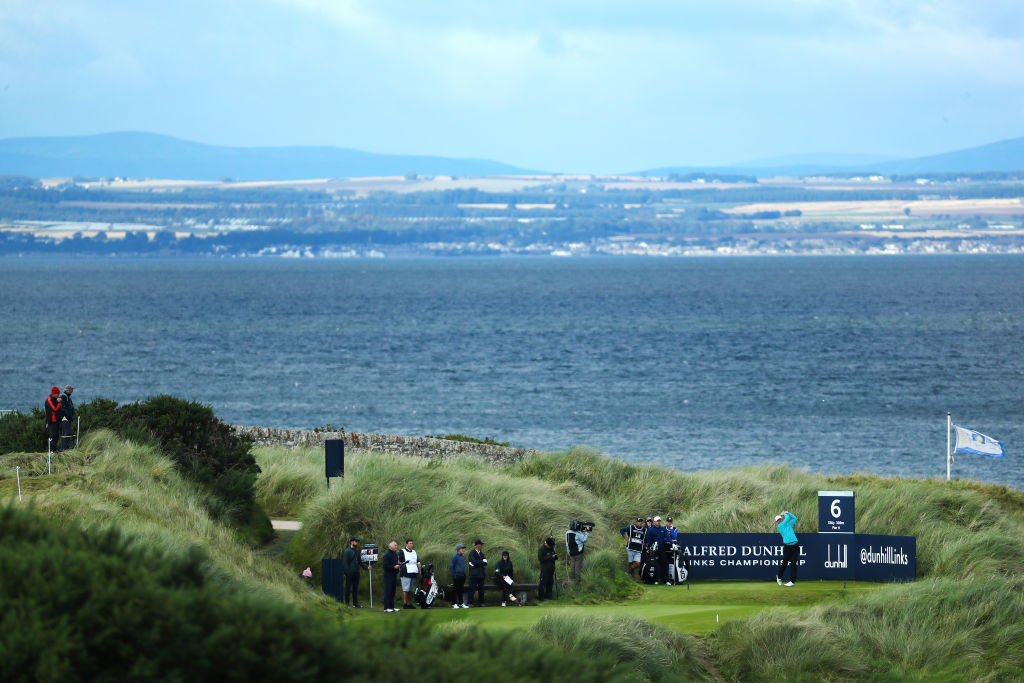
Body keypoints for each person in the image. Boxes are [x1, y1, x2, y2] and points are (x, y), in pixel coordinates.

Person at [775, 511, 800, 586]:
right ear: (777, 522)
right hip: (787, 547)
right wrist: (785, 514)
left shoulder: (788, 525)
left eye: (780, 519)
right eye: (778, 520)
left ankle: (792, 582)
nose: (780, 520)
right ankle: (779, 577)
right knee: (784, 563)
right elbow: (788, 518)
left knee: (793, 564)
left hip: (795, 546)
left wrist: (788, 513)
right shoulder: (780, 526)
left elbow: (795, 518)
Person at [398, 539, 421, 609]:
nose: (411, 544)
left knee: (410, 589)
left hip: (413, 572)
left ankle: (409, 603)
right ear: (407, 544)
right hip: (405, 572)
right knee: (406, 589)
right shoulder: (402, 551)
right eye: (410, 543)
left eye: (412, 543)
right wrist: (401, 564)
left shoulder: (414, 552)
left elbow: (418, 561)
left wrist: (419, 567)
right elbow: (398, 560)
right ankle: (405, 603)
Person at [340, 537, 363, 608]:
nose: (357, 542)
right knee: (348, 588)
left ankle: (355, 603)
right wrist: (346, 572)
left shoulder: (357, 551)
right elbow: (345, 562)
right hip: (350, 572)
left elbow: (360, 562)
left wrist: (366, 567)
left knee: (355, 588)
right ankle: (347, 603)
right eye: (356, 541)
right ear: (352, 542)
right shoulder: (347, 551)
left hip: (357, 572)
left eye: (357, 541)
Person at [647, 516, 669, 584]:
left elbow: (668, 537)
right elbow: (649, 540)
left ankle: (666, 580)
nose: (658, 522)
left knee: (664, 564)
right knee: (654, 565)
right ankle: (655, 580)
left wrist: (672, 543)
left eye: (659, 521)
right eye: (657, 521)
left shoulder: (663, 529)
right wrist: (651, 547)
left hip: (661, 549)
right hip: (654, 550)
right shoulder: (651, 530)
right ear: (654, 522)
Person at [467, 539, 487, 607]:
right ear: (478, 545)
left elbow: (485, 562)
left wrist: (479, 562)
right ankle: (470, 603)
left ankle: (481, 602)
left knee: (481, 590)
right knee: (472, 589)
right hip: (474, 575)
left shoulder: (482, 553)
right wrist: (481, 562)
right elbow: (474, 562)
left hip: (481, 574)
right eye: (481, 545)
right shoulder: (472, 553)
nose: (482, 546)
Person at [382, 541, 401, 612]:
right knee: (388, 591)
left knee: (393, 591)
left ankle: (391, 607)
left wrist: (398, 565)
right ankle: (386, 608)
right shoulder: (387, 555)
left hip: (394, 575)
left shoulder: (395, 554)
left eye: (396, 545)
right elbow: (385, 566)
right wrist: (394, 567)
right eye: (395, 545)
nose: (396, 546)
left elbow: (396, 563)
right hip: (388, 575)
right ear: (390, 546)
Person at [449, 543, 468, 608]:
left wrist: (464, 574)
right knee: (455, 590)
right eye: (462, 549)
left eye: (463, 549)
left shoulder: (462, 556)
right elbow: (451, 567)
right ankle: (454, 604)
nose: (463, 550)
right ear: (458, 549)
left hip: (462, 576)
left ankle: (461, 603)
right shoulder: (455, 556)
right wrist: (454, 575)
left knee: (461, 590)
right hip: (457, 576)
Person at [44, 387, 63, 452]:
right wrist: (59, 403)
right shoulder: (49, 400)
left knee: (56, 435)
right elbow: (54, 408)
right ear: (54, 393)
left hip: (57, 420)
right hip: (52, 420)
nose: (58, 395)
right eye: (58, 394)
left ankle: (55, 449)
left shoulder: (54, 399)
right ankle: (51, 450)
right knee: (52, 435)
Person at [59, 385, 75, 451]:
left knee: (66, 432)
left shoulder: (67, 396)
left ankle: (65, 447)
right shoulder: (64, 396)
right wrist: (69, 416)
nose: (72, 391)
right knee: (66, 433)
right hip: (65, 418)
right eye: (71, 389)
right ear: (68, 390)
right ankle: (65, 448)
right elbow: (63, 408)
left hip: (67, 417)